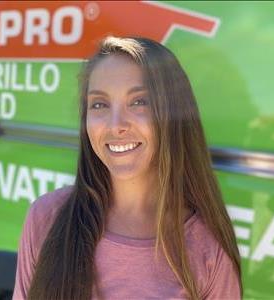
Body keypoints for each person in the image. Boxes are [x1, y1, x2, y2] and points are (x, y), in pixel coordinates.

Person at [13, 36, 242, 300]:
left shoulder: (208, 247)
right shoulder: (46, 217)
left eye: (139, 102)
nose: (115, 125)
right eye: (99, 104)